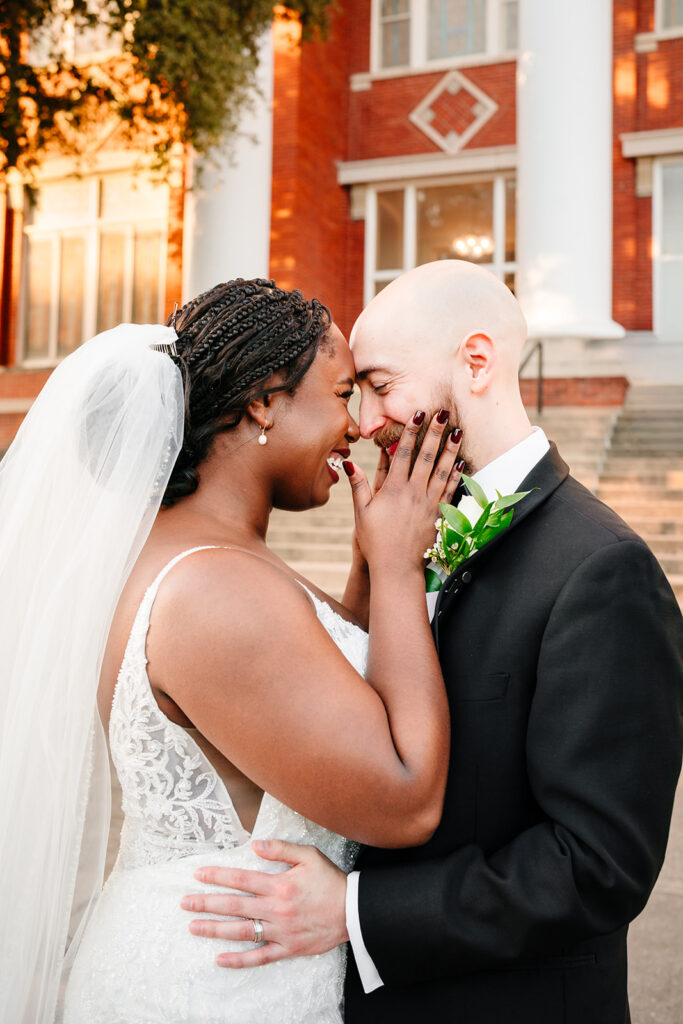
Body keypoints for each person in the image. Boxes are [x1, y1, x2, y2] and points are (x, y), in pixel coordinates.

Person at [186, 261, 683, 1024]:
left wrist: (356, 912)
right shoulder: (406, 527)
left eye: (382, 385)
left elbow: (598, 865)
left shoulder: (599, 569)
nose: (369, 420)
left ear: (476, 363)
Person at [0, 278, 465, 1024]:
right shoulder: (213, 589)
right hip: (216, 985)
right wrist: (402, 568)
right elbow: (403, 801)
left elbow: (313, 695)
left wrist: (369, 561)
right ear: (262, 402)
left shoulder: (201, 556)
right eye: (340, 392)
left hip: (220, 960)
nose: (352, 427)